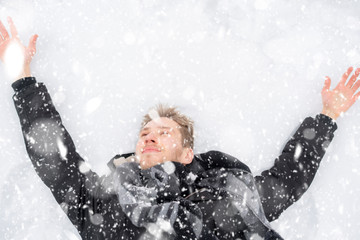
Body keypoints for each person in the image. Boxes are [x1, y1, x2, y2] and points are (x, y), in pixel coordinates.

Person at [1, 16, 360, 240]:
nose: (149, 137)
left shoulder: (232, 197)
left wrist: (327, 115)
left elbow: (287, 180)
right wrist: (22, 78)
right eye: (145, 134)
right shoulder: (101, 202)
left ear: (187, 153)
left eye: (163, 132)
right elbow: (55, 160)